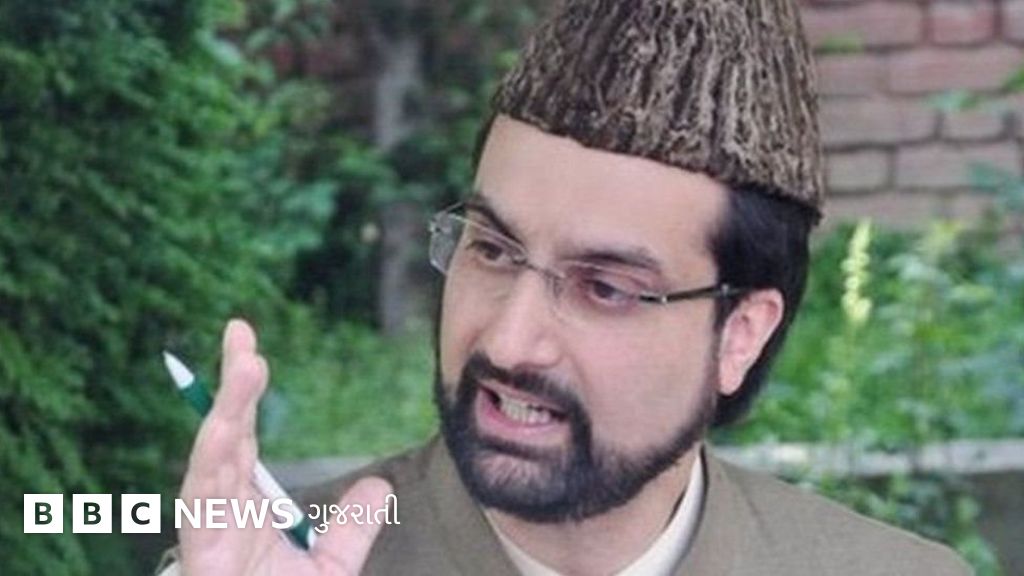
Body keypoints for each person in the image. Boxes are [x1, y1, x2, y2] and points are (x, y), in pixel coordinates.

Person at [160, 0, 973, 574]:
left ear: (740, 335)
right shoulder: (280, 558)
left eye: (606, 289)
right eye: (492, 249)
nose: (508, 341)